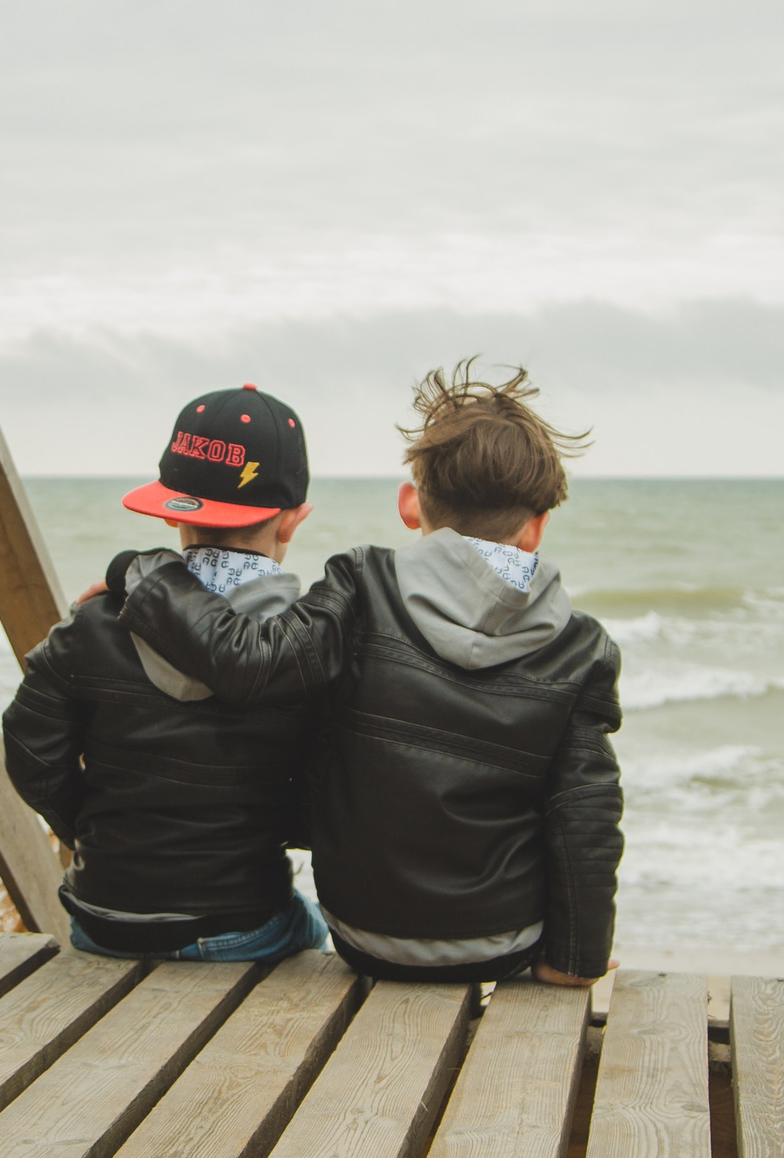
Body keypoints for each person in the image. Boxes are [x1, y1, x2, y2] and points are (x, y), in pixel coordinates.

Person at [115, 362, 620, 987]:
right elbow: (585, 812)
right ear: (536, 528)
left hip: (363, 934)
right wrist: (576, 959)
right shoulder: (583, 646)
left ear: (410, 504)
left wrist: (140, 575)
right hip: (503, 941)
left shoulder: (361, 584)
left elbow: (250, 664)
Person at [2, 383, 328, 962]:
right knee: (313, 927)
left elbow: (30, 748)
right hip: (242, 921)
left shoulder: (94, 621)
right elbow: (331, 783)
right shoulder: (299, 644)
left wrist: (91, 830)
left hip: (103, 923)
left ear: (173, 507)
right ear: (291, 522)